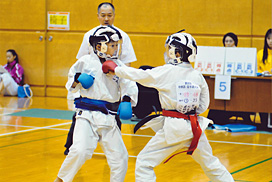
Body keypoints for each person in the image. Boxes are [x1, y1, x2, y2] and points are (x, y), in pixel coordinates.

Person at [102, 31, 234, 182]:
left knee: (144, 163)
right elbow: (203, 106)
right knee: (211, 164)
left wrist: (115, 69)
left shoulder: (165, 72)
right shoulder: (197, 75)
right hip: (195, 127)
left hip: (174, 129)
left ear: (176, 52)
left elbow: (139, 75)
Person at [54, 26, 138, 182]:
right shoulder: (85, 62)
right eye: (112, 45)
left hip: (108, 118)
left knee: (120, 158)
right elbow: (71, 84)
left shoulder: (118, 65)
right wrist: (78, 79)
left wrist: (127, 100)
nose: (116, 48)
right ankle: (60, 180)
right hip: (86, 115)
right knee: (79, 151)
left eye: (116, 45)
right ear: (100, 46)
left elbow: (129, 84)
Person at [64, 2, 137, 155]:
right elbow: (81, 61)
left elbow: (127, 62)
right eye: (103, 15)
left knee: (114, 116)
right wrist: (80, 82)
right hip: (91, 84)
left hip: (113, 82)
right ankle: (70, 147)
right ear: (97, 16)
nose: (106, 18)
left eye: (109, 15)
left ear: (114, 16)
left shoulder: (122, 36)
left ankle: (111, 150)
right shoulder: (89, 35)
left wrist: (124, 84)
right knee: (80, 115)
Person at [208, 32, 253, 125]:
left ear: (235, 42)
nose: (228, 43)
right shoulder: (220, 53)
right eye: (226, 41)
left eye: (230, 41)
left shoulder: (240, 53)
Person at [257, 28, 272, 129]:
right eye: (269, 38)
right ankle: (264, 124)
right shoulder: (260, 53)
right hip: (263, 84)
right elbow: (256, 69)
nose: (271, 41)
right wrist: (262, 73)